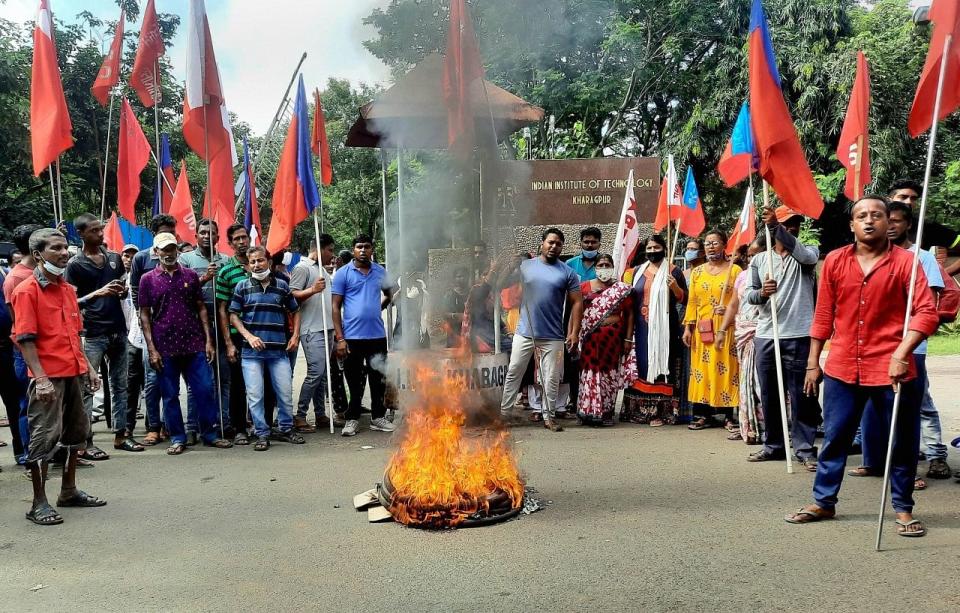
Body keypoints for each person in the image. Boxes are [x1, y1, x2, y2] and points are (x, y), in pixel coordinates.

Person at [785, 196, 939, 538]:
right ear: (852, 225)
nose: (869, 221)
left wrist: (903, 352)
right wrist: (814, 362)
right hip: (843, 366)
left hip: (893, 369)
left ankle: (902, 508)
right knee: (836, 437)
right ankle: (823, 501)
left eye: (877, 215)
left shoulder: (907, 264)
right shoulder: (836, 262)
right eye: (861, 216)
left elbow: (926, 312)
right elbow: (824, 314)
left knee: (901, 440)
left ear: (890, 222)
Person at [12, 228, 106, 525]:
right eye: (56, 248)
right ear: (38, 254)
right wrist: (40, 379)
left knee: (76, 434)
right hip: (48, 377)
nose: (64, 252)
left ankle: (69, 490)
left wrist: (88, 368)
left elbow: (73, 334)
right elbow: (25, 339)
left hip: (73, 372)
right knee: (43, 438)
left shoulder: (67, 289)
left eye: (66, 247)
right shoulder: (26, 291)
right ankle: (38, 503)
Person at [854, 202, 950, 485]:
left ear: (908, 224)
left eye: (896, 221)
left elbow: (929, 305)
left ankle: (914, 468)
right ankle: (873, 461)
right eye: (889, 219)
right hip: (875, 346)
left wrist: (909, 339)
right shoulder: (870, 256)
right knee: (873, 408)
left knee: (910, 408)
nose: (891, 225)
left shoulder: (922, 258)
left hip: (911, 346)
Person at [139, 233, 233, 455]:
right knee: (170, 395)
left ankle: (209, 434)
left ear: (177, 251)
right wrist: (152, 350)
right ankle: (177, 437)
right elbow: (144, 315)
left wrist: (208, 340)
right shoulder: (147, 279)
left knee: (205, 389)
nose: (168, 253)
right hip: (165, 346)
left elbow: (201, 307)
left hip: (194, 343)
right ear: (156, 252)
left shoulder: (190, 275)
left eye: (172, 248)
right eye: (164, 249)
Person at [743, 207, 821, 470]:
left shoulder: (807, 253)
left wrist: (777, 227)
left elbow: (804, 255)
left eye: (796, 223)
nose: (793, 228)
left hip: (799, 334)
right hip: (766, 334)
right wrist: (763, 293)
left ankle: (804, 448)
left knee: (802, 396)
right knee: (770, 394)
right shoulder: (759, 260)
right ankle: (774, 445)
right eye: (788, 224)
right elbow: (749, 296)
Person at [65, 213, 139, 457]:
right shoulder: (75, 265)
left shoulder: (115, 258)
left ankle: (121, 435)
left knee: (121, 385)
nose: (100, 234)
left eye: (101, 229)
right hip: (92, 332)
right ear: (81, 234)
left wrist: (121, 290)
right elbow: (70, 301)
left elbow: (120, 288)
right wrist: (96, 294)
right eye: (94, 230)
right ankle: (85, 442)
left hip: (117, 329)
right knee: (88, 387)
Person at [499, 228, 583, 432]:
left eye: (558, 244)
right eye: (550, 242)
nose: (554, 247)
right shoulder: (526, 266)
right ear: (542, 243)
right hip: (525, 331)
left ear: (562, 247)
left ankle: (549, 416)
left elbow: (577, 303)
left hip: (553, 335)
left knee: (551, 377)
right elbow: (500, 285)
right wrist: (510, 267)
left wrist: (574, 332)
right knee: (514, 372)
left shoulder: (567, 272)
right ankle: (504, 414)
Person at [229, 246, 305, 451]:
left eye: (260, 261)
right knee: (255, 396)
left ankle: (286, 429)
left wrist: (295, 335)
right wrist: (248, 336)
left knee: (285, 393)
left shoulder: (281, 286)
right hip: (251, 353)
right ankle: (262, 433)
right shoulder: (242, 287)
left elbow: (295, 311)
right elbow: (233, 315)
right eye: (252, 262)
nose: (256, 265)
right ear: (248, 264)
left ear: (268, 262)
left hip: (279, 351)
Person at [332, 235, 397, 437]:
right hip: (352, 337)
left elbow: (390, 293)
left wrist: (378, 309)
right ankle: (352, 418)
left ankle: (378, 417)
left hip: (377, 335)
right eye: (359, 247)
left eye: (366, 247)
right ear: (353, 250)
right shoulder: (343, 273)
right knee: (354, 379)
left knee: (377, 378)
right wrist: (340, 339)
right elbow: (335, 307)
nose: (363, 250)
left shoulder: (380, 271)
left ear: (372, 249)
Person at [621, 236, 687, 426]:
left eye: (656, 247)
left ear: (664, 248)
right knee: (642, 364)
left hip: (666, 328)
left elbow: (685, 300)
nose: (652, 250)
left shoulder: (674, 271)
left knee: (662, 366)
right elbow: (628, 300)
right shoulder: (635, 272)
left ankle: (661, 413)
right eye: (649, 247)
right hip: (641, 328)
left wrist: (674, 287)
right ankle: (638, 411)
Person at [682, 230, 741, 430]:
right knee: (701, 371)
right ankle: (702, 414)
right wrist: (688, 329)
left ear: (724, 245)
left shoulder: (735, 271)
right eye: (707, 243)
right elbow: (692, 302)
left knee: (727, 370)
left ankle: (728, 416)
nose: (710, 246)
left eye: (715, 243)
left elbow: (743, 299)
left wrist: (730, 309)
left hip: (726, 329)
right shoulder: (697, 272)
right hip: (702, 330)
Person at [179, 218, 229, 441]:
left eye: (212, 233)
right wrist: (204, 278)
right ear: (196, 236)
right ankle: (192, 427)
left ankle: (222, 423)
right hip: (195, 327)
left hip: (221, 324)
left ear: (218, 237)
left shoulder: (225, 261)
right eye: (203, 232)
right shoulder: (185, 259)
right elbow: (181, 290)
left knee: (222, 378)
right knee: (197, 381)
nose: (207, 236)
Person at [129, 214, 176, 444]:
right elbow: (135, 291)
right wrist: (141, 317)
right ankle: (153, 426)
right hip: (151, 329)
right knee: (151, 378)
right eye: (163, 231)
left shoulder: (179, 258)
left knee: (171, 379)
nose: (168, 236)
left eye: (171, 231)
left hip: (175, 330)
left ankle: (169, 424)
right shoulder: (140, 259)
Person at [3, 224, 44, 467]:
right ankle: (31, 458)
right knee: (28, 407)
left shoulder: (42, 273)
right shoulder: (16, 278)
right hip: (26, 352)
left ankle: (47, 454)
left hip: (47, 350)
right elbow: (20, 325)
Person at [576, 254, 635, 425]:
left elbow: (630, 314)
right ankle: (587, 410)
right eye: (600, 265)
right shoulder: (584, 287)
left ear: (613, 266)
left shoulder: (621, 289)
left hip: (613, 338)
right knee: (589, 372)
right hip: (589, 337)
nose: (604, 268)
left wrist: (628, 339)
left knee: (609, 373)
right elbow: (576, 312)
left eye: (607, 264)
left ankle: (606, 412)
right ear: (595, 268)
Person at [719, 239, 765, 445]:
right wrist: (722, 330)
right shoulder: (742, 276)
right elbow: (733, 305)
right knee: (746, 381)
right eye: (750, 256)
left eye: (758, 254)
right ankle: (749, 425)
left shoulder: (772, 273)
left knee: (761, 383)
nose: (753, 259)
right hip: (743, 334)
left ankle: (769, 428)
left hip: (764, 334)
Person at [290, 236, 336, 432]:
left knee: (323, 375)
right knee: (315, 373)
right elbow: (291, 296)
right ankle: (300, 416)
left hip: (328, 328)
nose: (332, 255)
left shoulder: (323, 270)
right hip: (311, 329)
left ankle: (320, 414)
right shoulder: (302, 268)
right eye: (330, 250)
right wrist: (312, 289)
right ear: (319, 248)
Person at [216, 224, 252, 445]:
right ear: (229, 244)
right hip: (236, 336)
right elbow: (222, 309)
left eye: (244, 237)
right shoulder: (225, 271)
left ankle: (263, 425)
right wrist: (228, 343)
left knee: (263, 383)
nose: (241, 242)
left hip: (260, 333)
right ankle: (239, 428)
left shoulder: (260, 265)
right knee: (238, 384)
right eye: (236, 239)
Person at [888, 179, 960, 274]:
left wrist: (943, 275)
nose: (909, 201)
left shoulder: (927, 226)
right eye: (903, 197)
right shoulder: (875, 224)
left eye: (913, 198)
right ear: (890, 199)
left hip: (916, 285)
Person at [441, 267, 469, 347]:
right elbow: (444, 314)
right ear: (454, 279)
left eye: (464, 276)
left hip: (470, 332)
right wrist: (455, 316)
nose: (461, 278)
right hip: (454, 332)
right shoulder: (449, 295)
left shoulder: (472, 292)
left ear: (468, 277)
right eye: (459, 276)